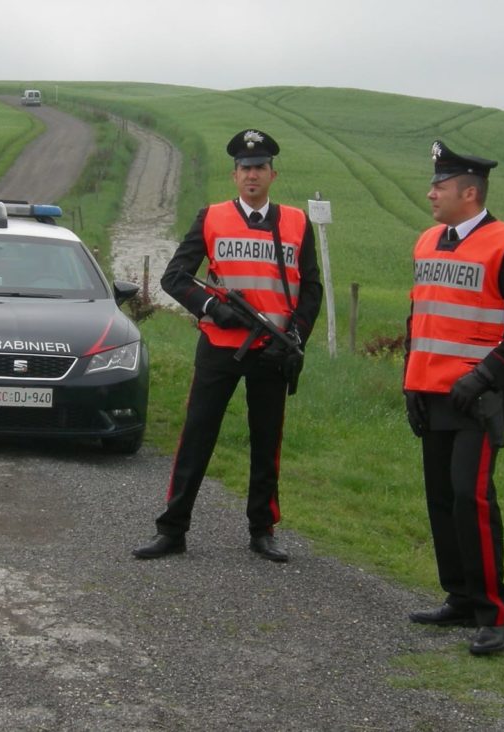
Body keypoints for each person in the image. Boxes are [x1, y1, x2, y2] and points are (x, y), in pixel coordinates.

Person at [133, 128, 322, 563]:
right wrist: (212, 309)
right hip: (220, 346)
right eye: (244, 168)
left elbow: (311, 287)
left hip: (272, 350)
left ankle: (263, 530)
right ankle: (172, 530)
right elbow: (175, 277)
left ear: (273, 174)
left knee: (266, 442)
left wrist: (296, 335)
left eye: (260, 168)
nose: (252, 175)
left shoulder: (296, 222)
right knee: (196, 437)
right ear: (234, 175)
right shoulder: (212, 217)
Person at [403, 140, 504, 655]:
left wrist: (487, 375)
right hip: (431, 392)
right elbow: (420, 317)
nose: (430, 194)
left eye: (439, 186)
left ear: (469, 192)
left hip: (478, 398)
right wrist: (411, 383)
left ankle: (493, 611)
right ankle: (460, 598)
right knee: (442, 497)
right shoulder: (426, 241)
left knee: (471, 495)